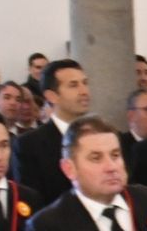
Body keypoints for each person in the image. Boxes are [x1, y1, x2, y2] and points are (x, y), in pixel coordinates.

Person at [15, 59, 91, 207]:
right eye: (73, 85)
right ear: (51, 96)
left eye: (85, 83)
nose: (84, 91)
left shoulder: (102, 136)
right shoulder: (30, 145)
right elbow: (30, 202)